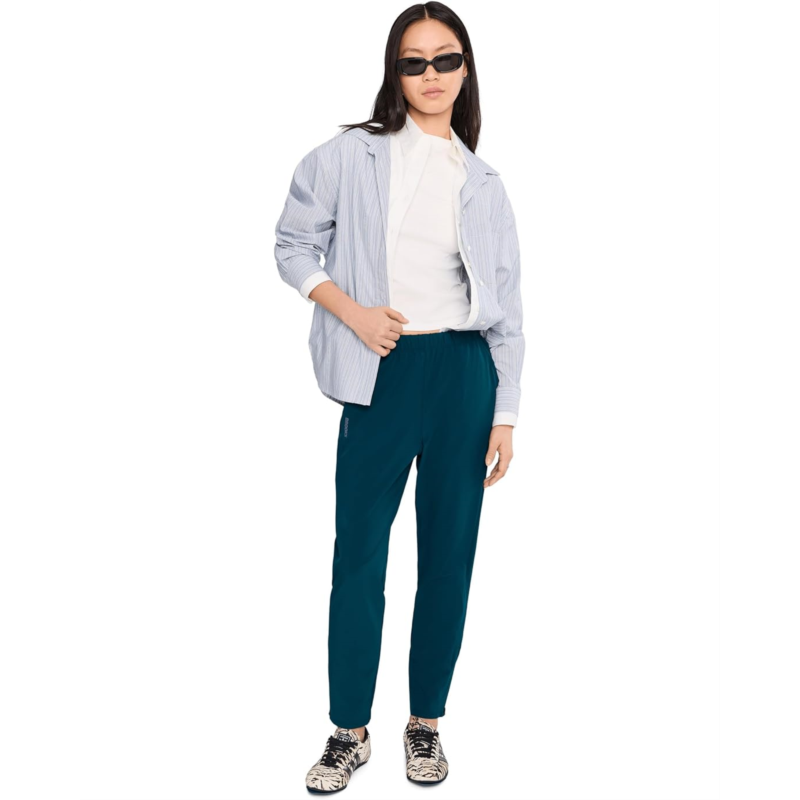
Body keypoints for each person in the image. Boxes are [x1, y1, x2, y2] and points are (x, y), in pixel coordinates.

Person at [274, 3, 524, 792]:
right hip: (378, 371)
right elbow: (292, 244)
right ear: (394, 72)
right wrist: (352, 312)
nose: (430, 75)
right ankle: (348, 731)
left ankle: (426, 725)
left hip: (463, 376)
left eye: (445, 59)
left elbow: (508, 311)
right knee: (359, 556)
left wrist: (506, 414)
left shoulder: (484, 183)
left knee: (449, 557)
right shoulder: (349, 156)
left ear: (466, 69)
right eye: (413, 62)